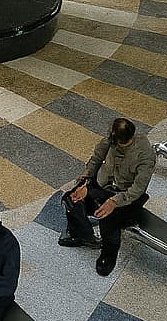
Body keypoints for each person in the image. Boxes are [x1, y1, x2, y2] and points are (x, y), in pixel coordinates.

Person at [59, 117, 156, 276]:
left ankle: (109, 253)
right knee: (71, 199)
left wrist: (113, 201)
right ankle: (83, 236)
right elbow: (96, 158)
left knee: (108, 217)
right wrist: (86, 180)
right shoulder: (112, 138)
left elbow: (137, 189)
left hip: (126, 195)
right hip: (103, 185)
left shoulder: (145, 155)